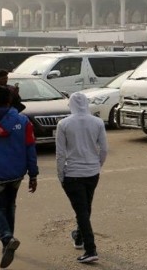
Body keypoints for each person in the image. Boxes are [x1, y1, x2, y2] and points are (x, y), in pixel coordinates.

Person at [56, 92, 108, 264]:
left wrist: (60, 174)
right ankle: (79, 237)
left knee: (81, 211)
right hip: (92, 172)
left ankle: (90, 249)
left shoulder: (64, 124)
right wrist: (97, 165)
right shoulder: (97, 122)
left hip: (73, 173)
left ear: (70, 105)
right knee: (85, 207)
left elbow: (60, 153)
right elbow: (104, 149)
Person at [0, 87, 37, 269]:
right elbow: (30, 148)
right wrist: (33, 174)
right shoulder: (23, 121)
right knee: (10, 206)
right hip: (16, 174)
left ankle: (7, 238)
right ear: (9, 101)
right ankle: (8, 242)